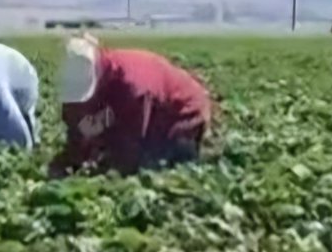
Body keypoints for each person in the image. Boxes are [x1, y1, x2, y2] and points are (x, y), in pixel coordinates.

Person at [50, 35, 212, 176]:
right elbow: (77, 121)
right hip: (123, 105)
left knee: (151, 161)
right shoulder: (84, 76)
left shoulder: (133, 85)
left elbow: (134, 140)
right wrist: (73, 154)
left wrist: (111, 169)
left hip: (180, 110)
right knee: (100, 134)